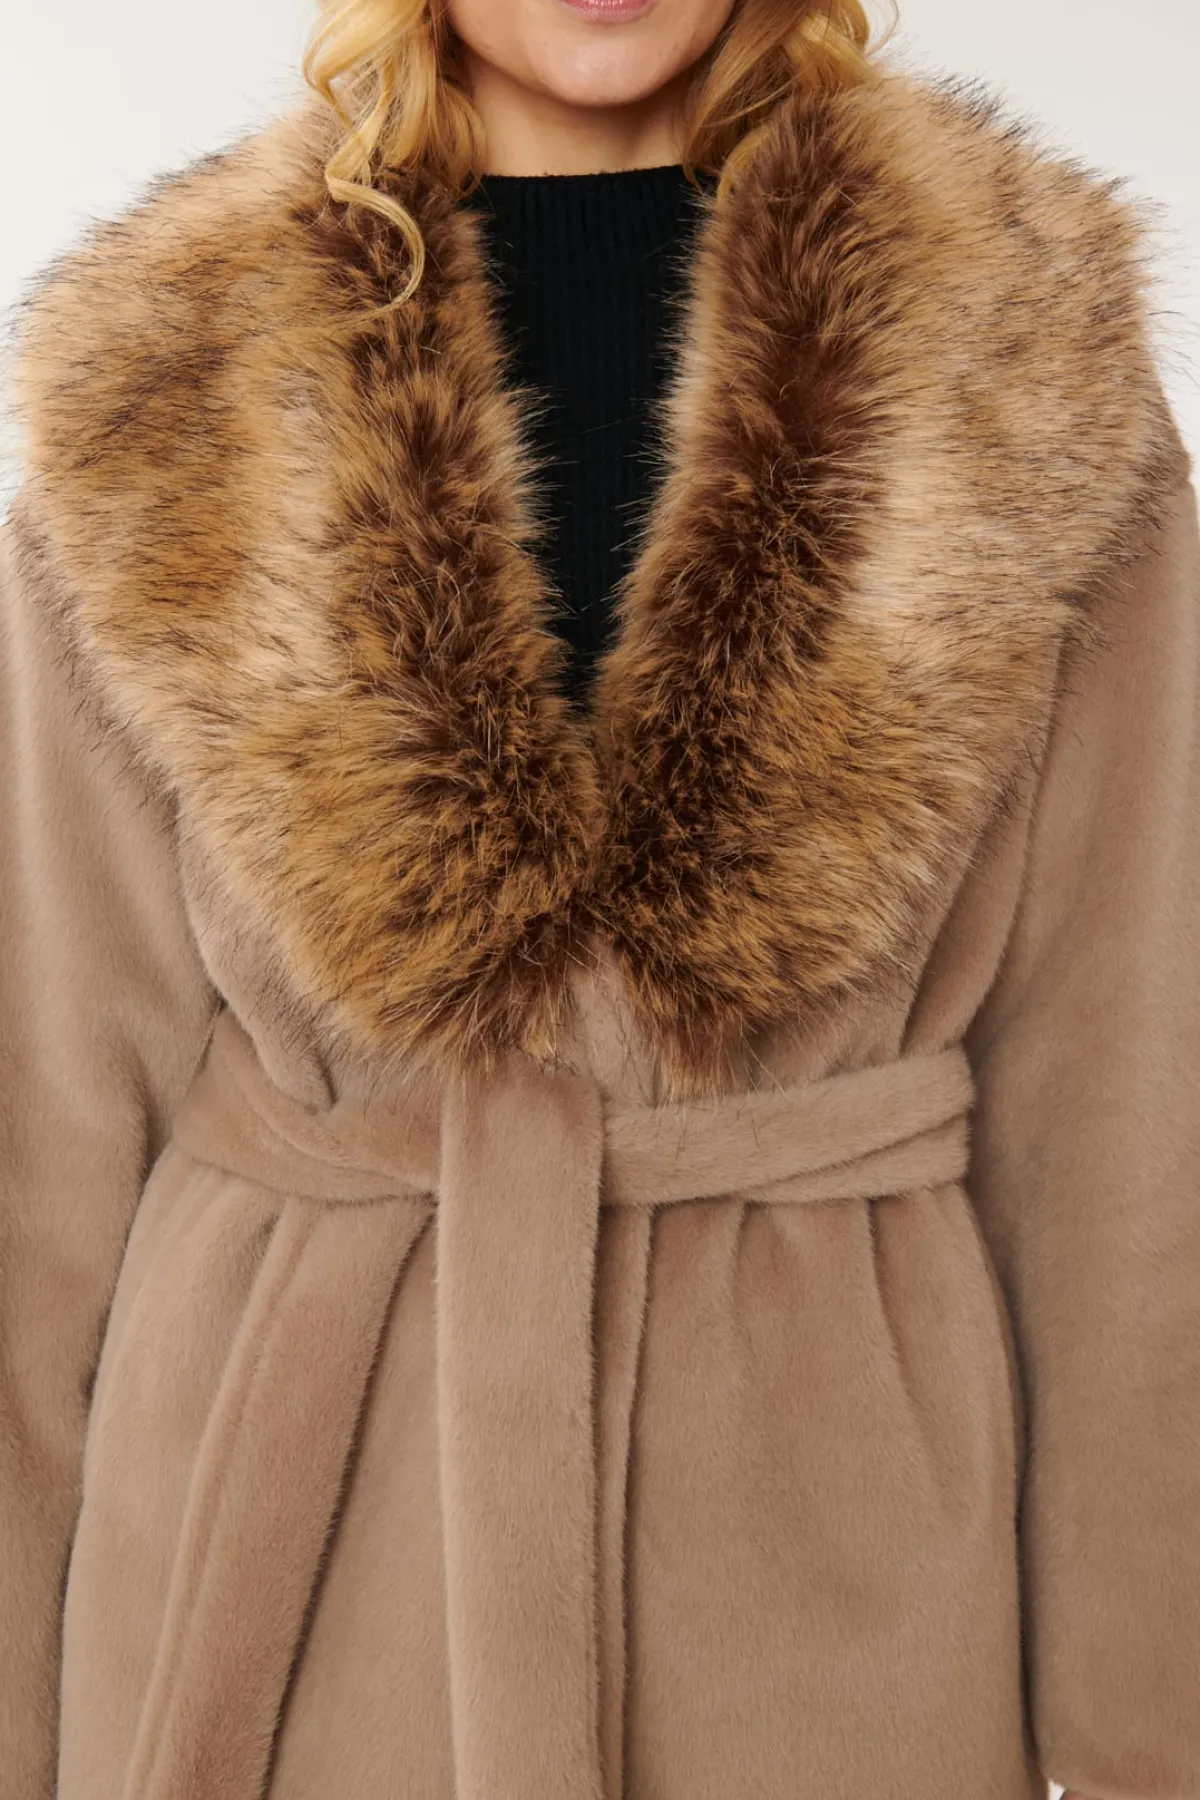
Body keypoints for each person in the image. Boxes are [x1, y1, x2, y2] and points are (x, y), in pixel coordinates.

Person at [1, 0, 1196, 1795]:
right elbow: (41, 1139)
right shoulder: (172, 382)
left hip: (827, 1579)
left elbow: (1126, 1118)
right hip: (290, 1559)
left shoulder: (1018, 365)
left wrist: (1141, 1745)